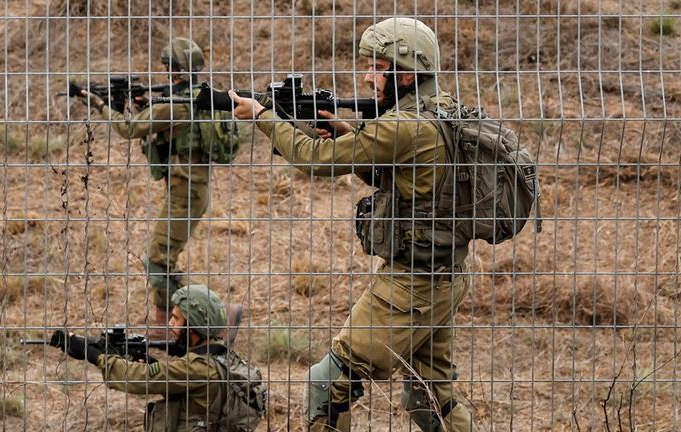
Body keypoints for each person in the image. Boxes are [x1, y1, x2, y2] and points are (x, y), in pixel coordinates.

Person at [230, 17, 477, 431]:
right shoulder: (443, 109)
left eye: (379, 68)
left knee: (328, 381)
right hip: (444, 274)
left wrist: (262, 116)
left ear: (408, 72)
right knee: (430, 395)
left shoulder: (403, 124)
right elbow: (410, 180)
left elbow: (312, 158)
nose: (367, 77)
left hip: (412, 284)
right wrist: (347, 132)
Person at [79, 38, 239, 338]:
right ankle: (165, 323)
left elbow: (128, 128)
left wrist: (99, 105)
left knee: (157, 260)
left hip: (185, 192)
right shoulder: (196, 96)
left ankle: (216, 318)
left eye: (167, 67)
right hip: (189, 189)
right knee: (163, 259)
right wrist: (146, 105)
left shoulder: (176, 106)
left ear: (173, 69)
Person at [53, 284, 265, 432]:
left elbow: (138, 378)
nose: (171, 324)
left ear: (193, 326)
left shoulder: (197, 368)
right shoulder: (223, 356)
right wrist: (156, 365)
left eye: (176, 318)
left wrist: (97, 355)